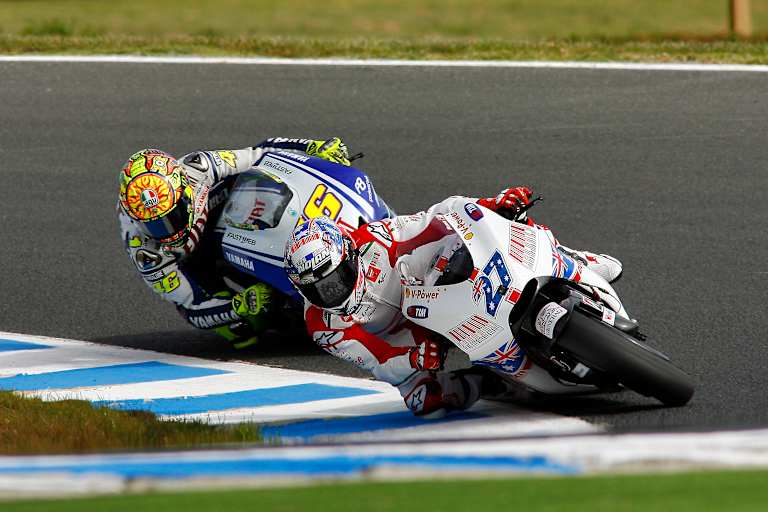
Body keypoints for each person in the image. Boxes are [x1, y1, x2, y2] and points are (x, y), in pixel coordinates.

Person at [284, 187, 623, 417]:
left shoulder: (375, 238)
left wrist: (493, 205)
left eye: (333, 281)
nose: (330, 294)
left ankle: (568, 257)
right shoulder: (322, 326)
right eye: (318, 290)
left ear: (347, 256)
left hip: (425, 291)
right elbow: (378, 360)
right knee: (424, 401)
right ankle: (492, 382)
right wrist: (414, 357)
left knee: (508, 222)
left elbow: (439, 217)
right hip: (403, 338)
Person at [118, 137, 352, 348]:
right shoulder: (145, 252)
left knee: (272, 180)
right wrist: (238, 305)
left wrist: (313, 148)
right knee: (242, 330)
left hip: (232, 212)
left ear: (184, 193)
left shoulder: (198, 167)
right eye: (155, 226)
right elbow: (192, 308)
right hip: (192, 262)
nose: (168, 231)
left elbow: (260, 153)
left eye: (173, 216)